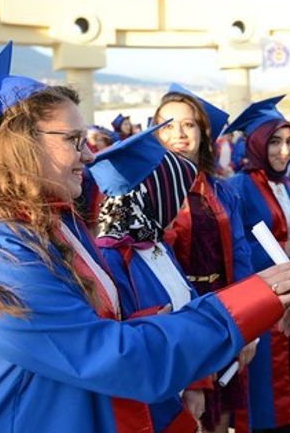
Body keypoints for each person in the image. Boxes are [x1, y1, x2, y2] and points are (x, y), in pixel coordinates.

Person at [0, 42, 290, 432]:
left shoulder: (54, 226)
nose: (89, 156)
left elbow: (82, 340)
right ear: (19, 145)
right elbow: (112, 355)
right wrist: (250, 302)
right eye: (73, 140)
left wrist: (137, 322)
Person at [93, 124, 213, 432]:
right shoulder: (110, 258)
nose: (180, 205)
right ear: (156, 196)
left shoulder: (157, 244)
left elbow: (189, 308)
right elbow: (120, 341)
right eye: (176, 195)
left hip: (181, 388)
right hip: (149, 406)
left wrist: (197, 382)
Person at [154, 84, 257, 433]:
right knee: (188, 417)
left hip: (222, 310)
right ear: (154, 132)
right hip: (176, 319)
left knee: (224, 415)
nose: (179, 134)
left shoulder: (222, 189)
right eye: (168, 125)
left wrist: (249, 322)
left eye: (189, 124)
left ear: (202, 132)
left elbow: (240, 255)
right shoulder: (143, 193)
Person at [226, 96, 290, 433]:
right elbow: (234, 250)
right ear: (256, 143)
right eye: (274, 142)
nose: (284, 151)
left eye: (289, 142)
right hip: (264, 303)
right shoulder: (238, 187)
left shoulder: (288, 188)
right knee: (271, 395)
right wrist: (283, 247)